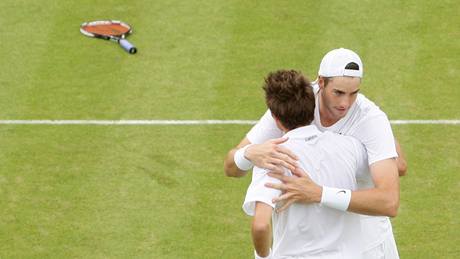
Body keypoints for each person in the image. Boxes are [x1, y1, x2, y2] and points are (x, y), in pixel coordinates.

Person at [224, 48, 405, 258]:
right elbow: (231, 167)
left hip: (369, 244)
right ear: (320, 82)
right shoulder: (296, 102)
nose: (345, 103)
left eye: (354, 93)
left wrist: (318, 193)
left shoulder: (370, 119)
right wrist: (249, 153)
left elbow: (390, 199)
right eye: (338, 92)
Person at [244, 69, 367, 258]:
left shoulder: (271, 158)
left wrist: (263, 257)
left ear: (276, 119)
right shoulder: (351, 147)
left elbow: (260, 226)